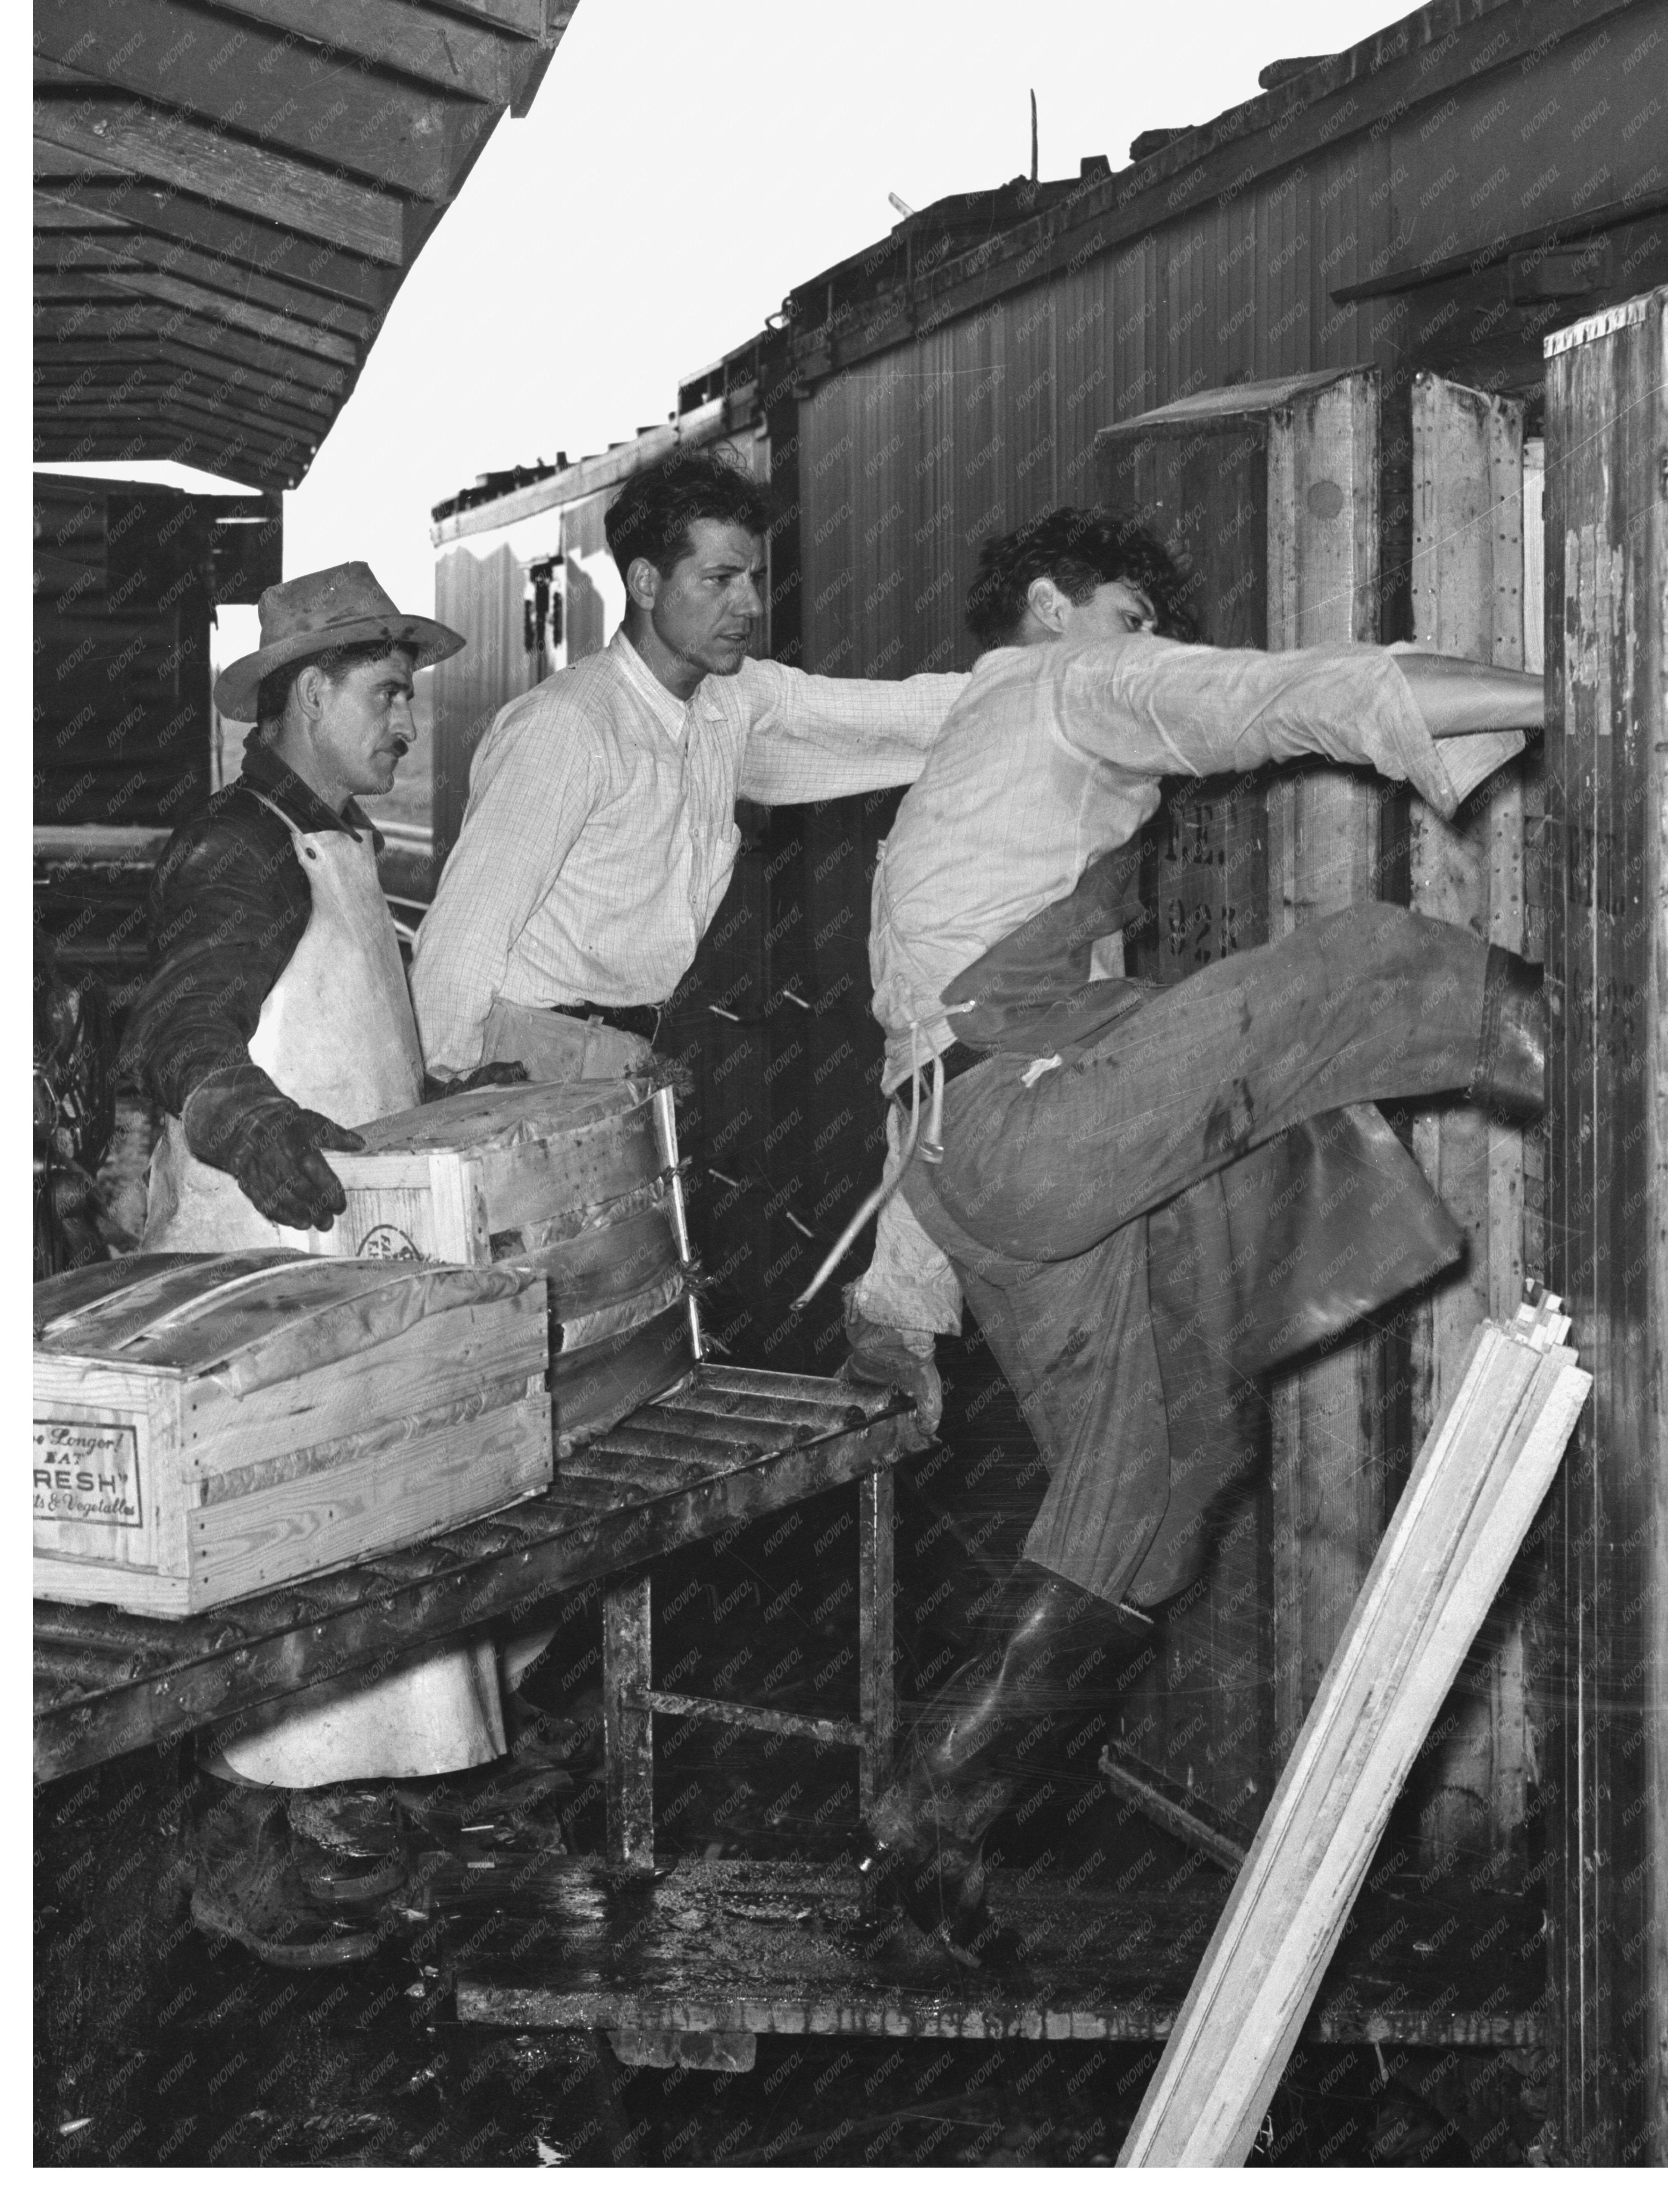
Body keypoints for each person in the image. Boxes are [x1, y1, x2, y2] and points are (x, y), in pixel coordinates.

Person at [860, 507, 1547, 1966]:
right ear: (1050, 606)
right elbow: (1247, 700)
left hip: (970, 1173)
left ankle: (930, 1846)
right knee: (1365, 961)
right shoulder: (1062, 683)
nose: (1142, 641)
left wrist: (902, 1296)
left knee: (1162, 1480)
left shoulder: (965, 781)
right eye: (1126, 610)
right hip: (1024, 1136)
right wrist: (1516, 698)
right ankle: (1610, 1054)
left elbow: (925, 1057)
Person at [123, 562, 523, 1966]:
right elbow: (183, 1029)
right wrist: (250, 1122)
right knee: (287, 1604)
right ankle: (252, 1887)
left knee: (361, 1590)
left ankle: (338, 1859)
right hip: (254, 1265)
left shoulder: (339, 841)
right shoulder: (235, 847)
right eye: (389, 692)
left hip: (344, 1264)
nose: (411, 719)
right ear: (309, 693)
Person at [409, 445, 970, 1415]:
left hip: (631, 1056)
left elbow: (886, 718)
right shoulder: (569, 728)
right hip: (527, 1071)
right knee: (543, 1357)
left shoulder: (727, 705)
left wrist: (1052, 691)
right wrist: (462, 1132)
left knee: (626, 1340)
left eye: (752, 576)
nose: (747, 602)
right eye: (718, 578)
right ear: (643, 580)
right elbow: (454, 956)